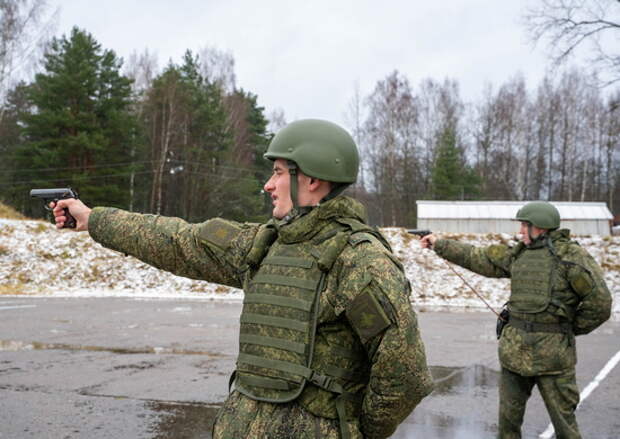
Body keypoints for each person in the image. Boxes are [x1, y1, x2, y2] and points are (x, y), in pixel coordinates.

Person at [52, 119, 434, 439]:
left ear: (313, 179)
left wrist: (347, 430)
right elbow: (176, 239)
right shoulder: (264, 244)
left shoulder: (360, 261)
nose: (268, 184)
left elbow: (404, 375)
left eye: (280, 173)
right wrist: (93, 218)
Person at [420, 201, 612, 439]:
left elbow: (600, 304)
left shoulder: (571, 257)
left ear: (540, 227)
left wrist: (567, 329)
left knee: (565, 427)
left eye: (524, 225)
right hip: (514, 356)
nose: (520, 230)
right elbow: (479, 257)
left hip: (553, 360)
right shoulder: (519, 253)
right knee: (508, 426)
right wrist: (439, 244)